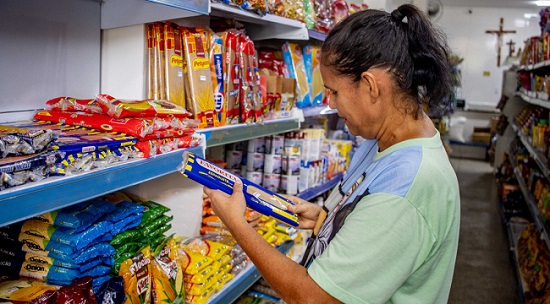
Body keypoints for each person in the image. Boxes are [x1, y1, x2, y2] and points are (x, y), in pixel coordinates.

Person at [204, 4, 460, 303]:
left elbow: (314, 298)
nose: (331, 103)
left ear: (370, 86)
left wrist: (236, 224)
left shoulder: (407, 187)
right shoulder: (384, 140)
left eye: (334, 91)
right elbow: (372, 221)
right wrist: (328, 219)